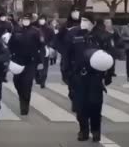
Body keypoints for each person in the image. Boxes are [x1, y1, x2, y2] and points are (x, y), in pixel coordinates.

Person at [62, 13, 114, 142]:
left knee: (95, 105)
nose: (83, 22)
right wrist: (66, 72)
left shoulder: (102, 36)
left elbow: (109, 57)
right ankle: (83, 130)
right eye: (82, 20)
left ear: (93, 22)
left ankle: (96, 130)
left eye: (86, 20)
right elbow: (66, 55)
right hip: (78, 76)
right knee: (80, 106)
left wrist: (109, 74)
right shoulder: (74, 35)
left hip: (95, 77)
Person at [8, 13, 45, 115]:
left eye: (27, 19)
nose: (25, 21)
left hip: (31, 62)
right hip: (18, 61)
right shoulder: (16, 31)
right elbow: (10, 45)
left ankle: (24, 105)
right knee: (17, 82)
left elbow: (41, 47)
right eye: (23, 19)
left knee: (27, 84)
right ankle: (21, 96)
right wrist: (10, 57)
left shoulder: (36, 32)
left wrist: (40, 62)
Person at [35, 15, 55, 89]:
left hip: (45, 48)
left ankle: (42, 81)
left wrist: (49, 46)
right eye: (40, 19)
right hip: (36, 49)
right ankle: (38, 79)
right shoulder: (36, 28)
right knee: (36, 65)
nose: (41, 21)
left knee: (44, 66)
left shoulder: (49, 29)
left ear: (45, 20)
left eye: (43, 19)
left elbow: (53, 39)